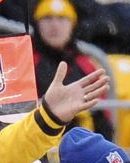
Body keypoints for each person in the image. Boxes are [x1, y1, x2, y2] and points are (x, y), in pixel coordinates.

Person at [30, 0, 114, 139]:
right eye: (47, 18)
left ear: (73, 24)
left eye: (62, 19)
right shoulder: (27, 61)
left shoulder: (86, 63)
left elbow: (103, 114)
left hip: (82, 147)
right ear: (37, 24)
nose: (55, 25)